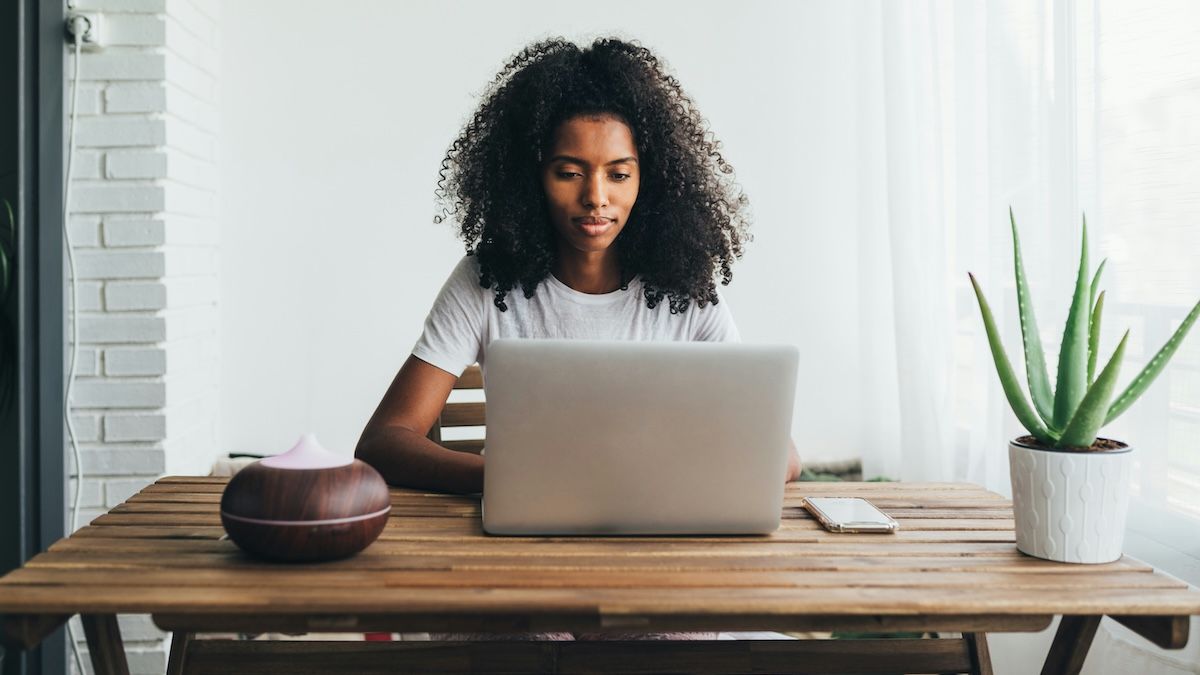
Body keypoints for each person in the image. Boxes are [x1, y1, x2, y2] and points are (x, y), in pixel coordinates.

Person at [356, 37, 802, 496]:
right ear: (532, 177)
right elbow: (383, 442)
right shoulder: (486, 282)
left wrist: (675, 481)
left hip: (653, 518)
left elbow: (783, 454)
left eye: (619, 174)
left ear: (648, 181)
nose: (595, 196)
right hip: (522, 523)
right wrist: (512, 482)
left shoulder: (682, 288)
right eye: (569, 172)